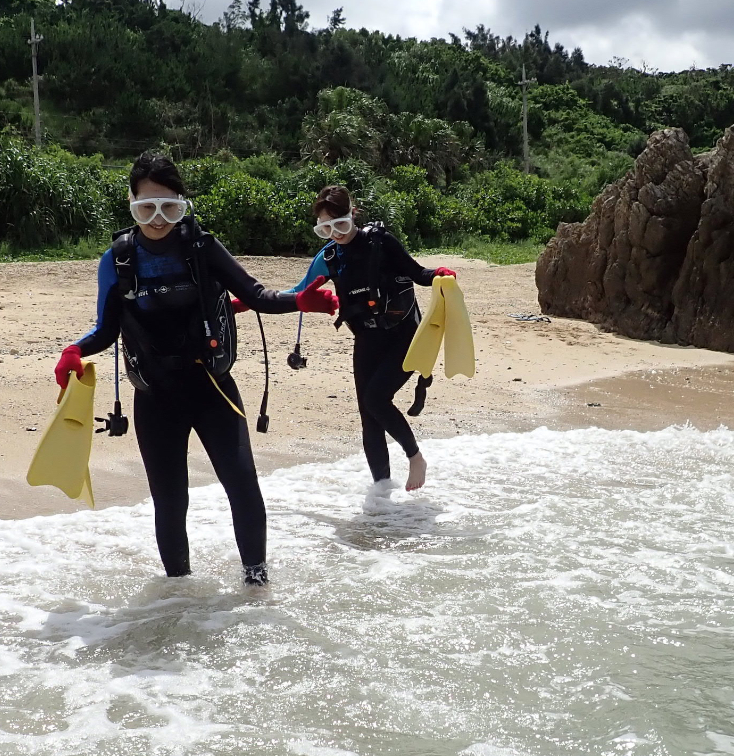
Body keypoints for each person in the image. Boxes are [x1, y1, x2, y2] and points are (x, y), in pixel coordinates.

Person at [53, 154, 338, 591]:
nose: (158, 219)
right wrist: (74, 350)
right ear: (131, 203)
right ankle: (178, 597)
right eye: (146, 207)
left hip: (212, 390)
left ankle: (257, 587)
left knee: (242, 486)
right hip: (155, 397)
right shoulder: (118, 260)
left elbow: (255, 294)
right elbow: (106, 329)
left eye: (170, 207)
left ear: (183, 204)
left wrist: (297, 301)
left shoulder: (202, 247)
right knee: (170, 502)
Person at [283, 185, 455, 492]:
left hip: (403, 337)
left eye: (341, 225)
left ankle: (415, 457)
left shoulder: (381, 242)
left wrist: (440, 274)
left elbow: (417, 273)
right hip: (366, 339)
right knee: (368, 415)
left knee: (376, 399)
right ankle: (382, 492)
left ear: (353, 215)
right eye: (326, 229)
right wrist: (246, 302)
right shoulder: (329, 256)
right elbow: (297, 292)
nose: (335, 235)